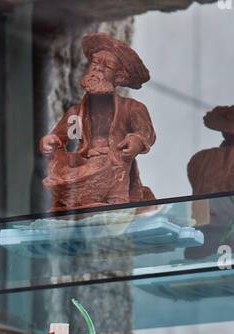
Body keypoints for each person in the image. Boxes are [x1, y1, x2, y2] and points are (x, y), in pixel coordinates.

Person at [40, 32, 155, 213]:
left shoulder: (132, 108)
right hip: (84, 166)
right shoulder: (77, 113)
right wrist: (52, 139)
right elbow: (68, 135)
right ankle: (76, 202)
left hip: (117, 167)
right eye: (94, 63)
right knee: (61, 168)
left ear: (120, 77)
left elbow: (145, 132)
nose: (97, 69)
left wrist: (137, 141)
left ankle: (111, 205)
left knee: (116, 195)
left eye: (106, 66)